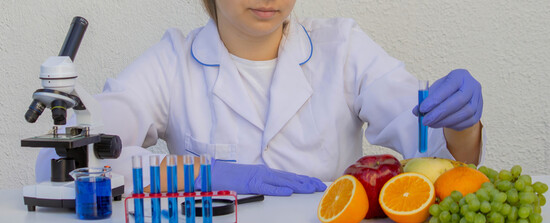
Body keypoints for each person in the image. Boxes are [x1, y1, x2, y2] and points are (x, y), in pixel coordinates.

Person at [36, 0, 483, 196]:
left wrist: (461, 123)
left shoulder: (344, 47)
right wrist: (197, 176)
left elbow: (437, 153)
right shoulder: (172, 60)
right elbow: (66, 162)